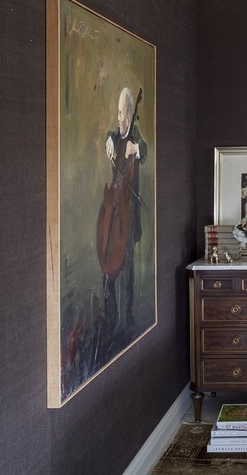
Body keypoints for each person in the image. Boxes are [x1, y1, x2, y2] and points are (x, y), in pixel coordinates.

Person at [97, 87, 147, 361]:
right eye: (118, 113)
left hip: (128, 215)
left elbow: (146, 150)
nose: (120, 118)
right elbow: (111, 136)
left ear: (131, 114)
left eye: (124, 113)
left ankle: (127, 319)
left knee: (127, 269)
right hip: (114, 208)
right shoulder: (115, 135)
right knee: (109, 264)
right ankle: (110, 315)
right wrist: (107, 139)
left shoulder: (135, 136)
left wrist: (136, 148)